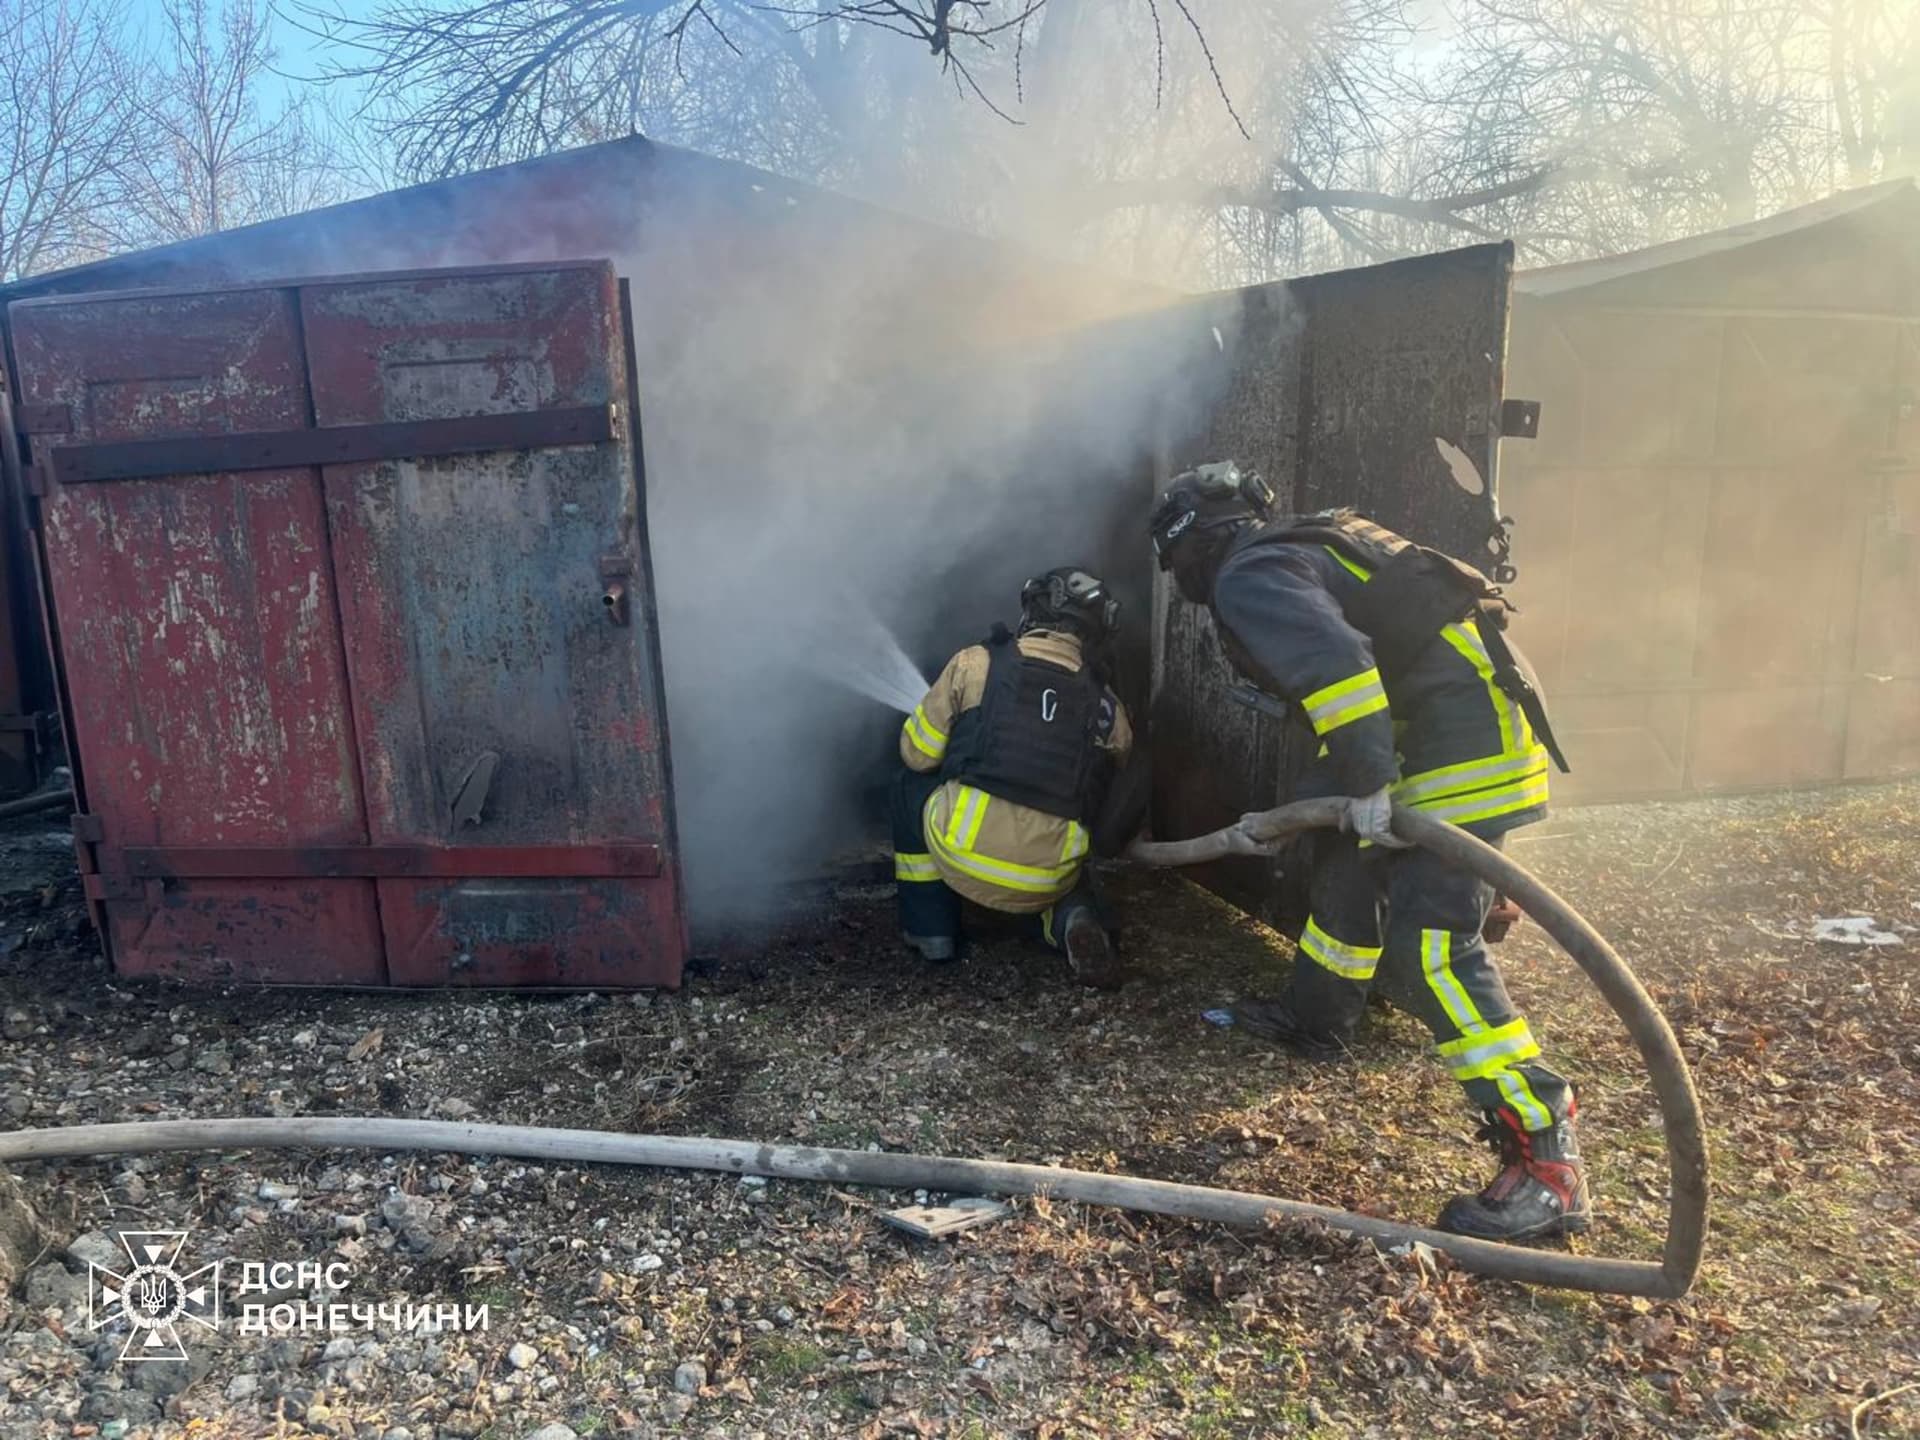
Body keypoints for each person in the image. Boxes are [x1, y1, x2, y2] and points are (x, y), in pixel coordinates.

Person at [1147, 461, 1587, 1243]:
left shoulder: (1250, 575)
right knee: (1345, 875)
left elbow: (1341, 670)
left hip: (1454, 749)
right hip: (1458, 725)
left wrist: (1370, 781)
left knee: (1432, 952)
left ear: (1189, 548)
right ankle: (1316, 1018)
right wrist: (1341, 793)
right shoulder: (1303, 543)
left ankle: (1545, 1159)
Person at [892, 568, 1133, 989]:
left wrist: (964, 745)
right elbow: (1109, 784)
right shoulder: (1108, 707)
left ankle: (933, 933)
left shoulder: (975, 663)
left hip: (961, 855)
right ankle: (1072, 919)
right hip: (1046, 876)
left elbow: (917, 756)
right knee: (1066, 845)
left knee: (907, 786)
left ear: (1033, 612)